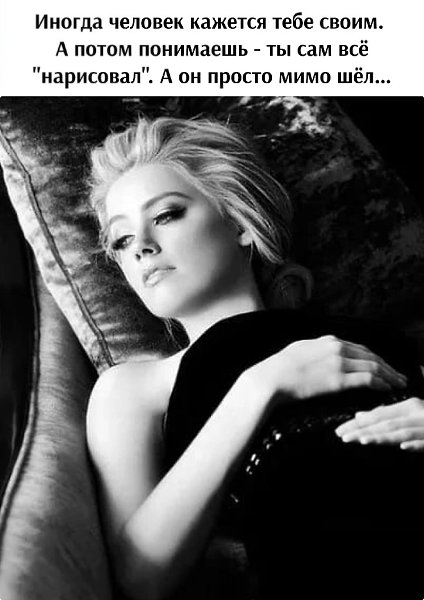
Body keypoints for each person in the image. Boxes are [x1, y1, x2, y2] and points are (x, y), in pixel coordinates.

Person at [86, 116, 424, 600]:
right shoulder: (135, 387)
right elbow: (141, 574)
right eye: (121, 240)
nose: (141, 248)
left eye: (166, 215)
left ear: (240, 223)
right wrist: (261, 386)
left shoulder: (372, 337)